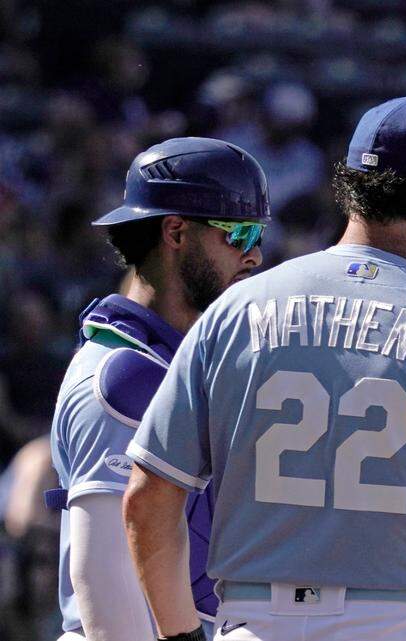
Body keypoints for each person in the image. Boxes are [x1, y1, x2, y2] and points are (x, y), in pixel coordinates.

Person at [122, 94, 406, 641]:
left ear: (350, 188)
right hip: (397, 622)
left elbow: (148, 496)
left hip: (257, 620)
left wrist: (179, 637)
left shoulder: (235, 311)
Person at [48, 136, 270, 641]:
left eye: (259, 233)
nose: (255, 254)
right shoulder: (124, 376)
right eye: (238, 232)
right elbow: (104, 583)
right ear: (175, 231)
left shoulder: (178, 361)